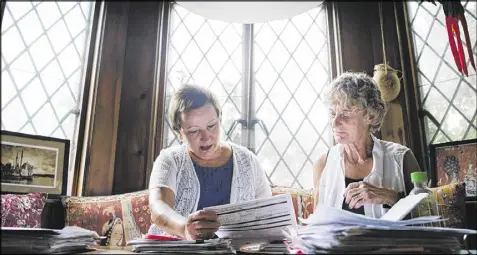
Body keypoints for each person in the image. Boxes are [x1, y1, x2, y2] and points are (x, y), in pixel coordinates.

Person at [148, 84, 272, 240]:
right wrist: (184, 229)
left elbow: (268, 214)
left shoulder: (248, 160)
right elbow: (158, 207)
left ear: (220, 119)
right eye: (194, 130)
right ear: (180, 133)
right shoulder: (169, 160)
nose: (206, 137)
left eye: (212, 126)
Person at [313, 72, 422, 218]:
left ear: (370, 115)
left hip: (390, 242)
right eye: (332, 114)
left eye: (345, 113)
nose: (335, 122)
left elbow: (426, 218)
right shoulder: (322, 164)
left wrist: (391, 197)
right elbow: (316, 226)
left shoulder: (402, 158)